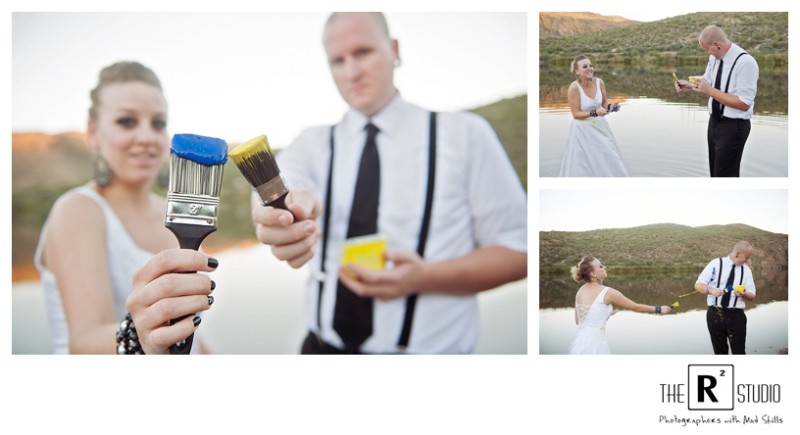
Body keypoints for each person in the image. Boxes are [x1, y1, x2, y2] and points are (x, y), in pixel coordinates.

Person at [251, 12, 528, 354]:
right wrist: (281, 215)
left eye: (363, 52)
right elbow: (279, 188)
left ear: (394, 49)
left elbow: (519, 251)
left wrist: (423, 277)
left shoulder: (465, 135)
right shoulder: (311, 143)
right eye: (337, 60)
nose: (352, 72)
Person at [34, 61, 217, 354]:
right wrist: (140, 332)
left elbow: (190, 334)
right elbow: (82, 342)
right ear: (93, 133)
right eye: (126, 122)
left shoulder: (174, 212)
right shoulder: (78, 210)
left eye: (157, 123)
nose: (146, 137)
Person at [675, 25, 759, 177]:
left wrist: (710, 91)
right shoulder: (714, 58)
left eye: (707, 49)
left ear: (717, 45)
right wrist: (690, 86)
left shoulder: (746, 63)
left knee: (725, 176)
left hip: (734, 127)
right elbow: (708, 82)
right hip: (714, 123)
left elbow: (744, 103)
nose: (708, 53)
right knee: (715, 174)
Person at [568, 256, 672, 355]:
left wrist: (606, 313)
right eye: (600, 266)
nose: (604, 267)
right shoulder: (608, 292)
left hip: (579, 343)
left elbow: (579, 321)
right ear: (593, 274)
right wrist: (659, 309)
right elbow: (635, 307)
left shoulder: (580, 291)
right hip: (595, 346)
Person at [559, 54, 628, 177]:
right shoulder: (574, 88)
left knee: (608, 157)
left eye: (591, 65)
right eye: (585, 66)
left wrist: (611, 107)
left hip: (600, 128)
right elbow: (576, 114)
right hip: (581, 132)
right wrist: (595, 112)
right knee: (582, 164)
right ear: (576, 71)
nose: (590, 68)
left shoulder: (599, 82)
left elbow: (604, 102)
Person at [694, 241, 757, 354]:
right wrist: (710, 290)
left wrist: (744, 294)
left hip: (736, 317)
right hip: (715, 315)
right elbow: (698, 285)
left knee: (739, 352)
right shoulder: (715, 264)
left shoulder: (746, 270)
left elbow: (752, 295)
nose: (747, 261)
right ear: (737, 254)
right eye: (746, 257)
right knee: (720, 353)